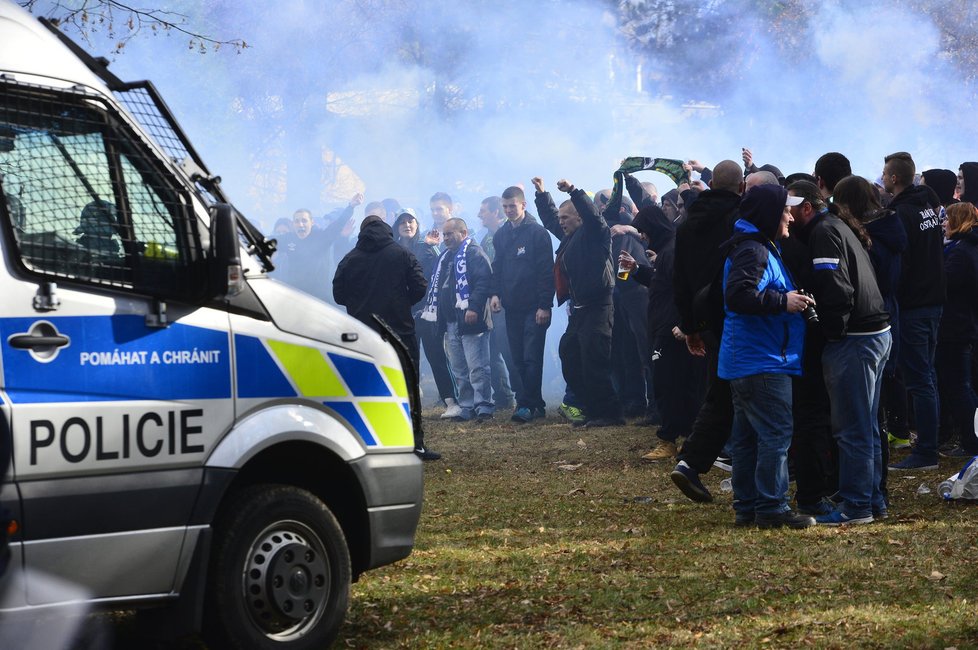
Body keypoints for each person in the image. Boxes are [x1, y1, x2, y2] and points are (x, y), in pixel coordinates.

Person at [788, 180, 892, 525]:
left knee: (853, 428)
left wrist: (830, 332)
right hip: (874, 333)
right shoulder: (838, 225)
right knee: (867, 425)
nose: (786, 215)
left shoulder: (823, 233)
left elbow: (836, 288)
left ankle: (857, 506)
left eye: (791, 207)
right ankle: (872, 501)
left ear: (806, 207)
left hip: (856, 339)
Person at [719, 183, 813, 529]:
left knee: (746, 438)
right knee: (775, 434)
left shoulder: (754, 245)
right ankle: (772, 508)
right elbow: (739, 297)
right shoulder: (754, 251)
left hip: (748, 358)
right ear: (769, 215)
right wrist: (783, 301)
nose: (790, 216)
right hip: (762, 360)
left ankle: (747, 507)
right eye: (784, 210)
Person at [668, 160, 745, 503]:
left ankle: (693, 463)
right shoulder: (740, 219)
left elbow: (680, 281)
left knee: (722, 392)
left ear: (712, 183)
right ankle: (699, 463)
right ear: (740, 187)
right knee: (734, 394)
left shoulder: (686, 225)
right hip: (740, 315)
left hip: (707, 320)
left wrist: (690, 327)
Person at [332, 215, 439, 460]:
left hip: (363, 333)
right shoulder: (402, 254)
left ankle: (369, 443)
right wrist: (402, 304)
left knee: (366, 386)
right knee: (407, 388)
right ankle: (415, 444)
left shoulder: (350, 259)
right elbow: (421, 287)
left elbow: (338, 294)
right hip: (400, 331)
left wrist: (359, 307)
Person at [619, 205, 705, 461]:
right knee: (675, 383)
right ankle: (685, 438)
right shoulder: (667, 251)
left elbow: (684, 289)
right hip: (665, 326)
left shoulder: (672, 251)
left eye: (643, 231)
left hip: (671, 330)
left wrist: (683, 324)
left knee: (667, 384)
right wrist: (637, 270)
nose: (642, 237)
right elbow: (662, 281)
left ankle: (669, 440)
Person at [535, 176, 623, 427]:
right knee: (570, 354)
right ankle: (589, 408)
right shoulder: (569, 235)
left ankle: (609, 414)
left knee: (595, 360)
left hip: (598, 306)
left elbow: (593, 215)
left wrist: (574, 191)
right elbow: (552, 218)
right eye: (561, 219)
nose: (560, 222)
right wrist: (542, 195)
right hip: (580, 309)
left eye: (566, 218)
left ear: (579, 218)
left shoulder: (596, 233)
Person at [883, 152, 946, 471]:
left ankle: (926, 452)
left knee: (920, 379)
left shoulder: (902, 213)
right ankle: (929, 444)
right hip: (934, 300)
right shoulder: (928, 202)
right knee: (927, 376)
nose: (881, 178)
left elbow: (900, 264)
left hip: (913, 305)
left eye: (884, 173)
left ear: (894, 178)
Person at [490, 186, 555, 422]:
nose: (508, 210)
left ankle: (526, 404)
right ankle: (533, 404)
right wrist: (494, 293)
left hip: (534, 307)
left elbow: (547, 271)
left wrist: (544, 305)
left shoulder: (538, 233)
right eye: (505, 206)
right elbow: (497, 268)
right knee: (516, 356)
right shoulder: (501, 235)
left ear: (523, 205)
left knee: (531, 356)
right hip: (511, 307)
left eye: (512, 206)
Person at [420, 217, 495, 421]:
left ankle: (483, 406)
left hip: (471, 319)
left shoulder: (474, 253)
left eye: (450, 234)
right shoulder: (444, 257)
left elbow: (483, 282)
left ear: (463, 233)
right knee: (459, 367)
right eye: (444, 234)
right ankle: (466, 406)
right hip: (451, 321)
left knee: (477, 366)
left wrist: (473, 307)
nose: (446, 238)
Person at [393, 210, 460, 417]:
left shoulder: (427, 249)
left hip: (427, 313)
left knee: (436, 356)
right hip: (403, 315)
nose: (407, 225)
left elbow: (437, 278)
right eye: (402, 221)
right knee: (407, 359)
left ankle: (452, 402)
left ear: (417, 224)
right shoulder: (392, 250)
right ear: (396, 227)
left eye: (410, 220)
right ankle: (409, 405)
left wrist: (432, 246)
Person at [935, 202, 978, 456]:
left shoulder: (960, 252)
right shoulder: (966, 247)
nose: (943, 224)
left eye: (947, 219)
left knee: (959, 386)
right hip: (964, 324)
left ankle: (971, 441)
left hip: (956, 326)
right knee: (960, 384)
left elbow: (946, 283)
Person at [478, 195, 519, 411]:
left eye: (483, 211)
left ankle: (523, 396)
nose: (479, 215)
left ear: (496, 212)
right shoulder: (486, 238)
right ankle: (503, 396)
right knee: (491, 351)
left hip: (505, 303)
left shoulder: (509, 234)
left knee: (509, 350)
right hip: (489, 302)